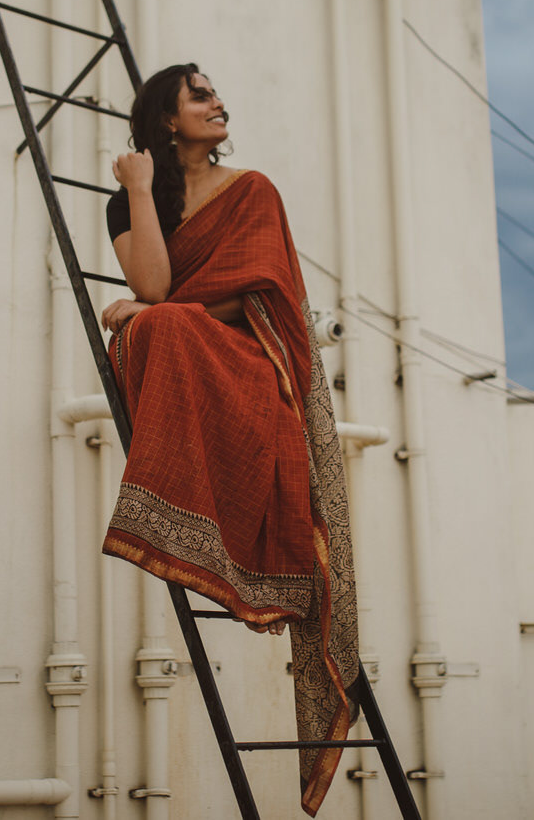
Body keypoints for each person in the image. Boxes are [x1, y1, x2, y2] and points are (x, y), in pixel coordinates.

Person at [100, 63, 360, 816]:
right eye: (200, 95)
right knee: (154, 330)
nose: (218, 103)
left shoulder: (253, 191)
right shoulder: (131, 199)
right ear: (167, 118)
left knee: (161, 327)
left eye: (216, 94)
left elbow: (255, 297)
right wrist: (140, 191)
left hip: (247, 354)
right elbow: (154, 285)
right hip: (183, 345)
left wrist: (160, 314)